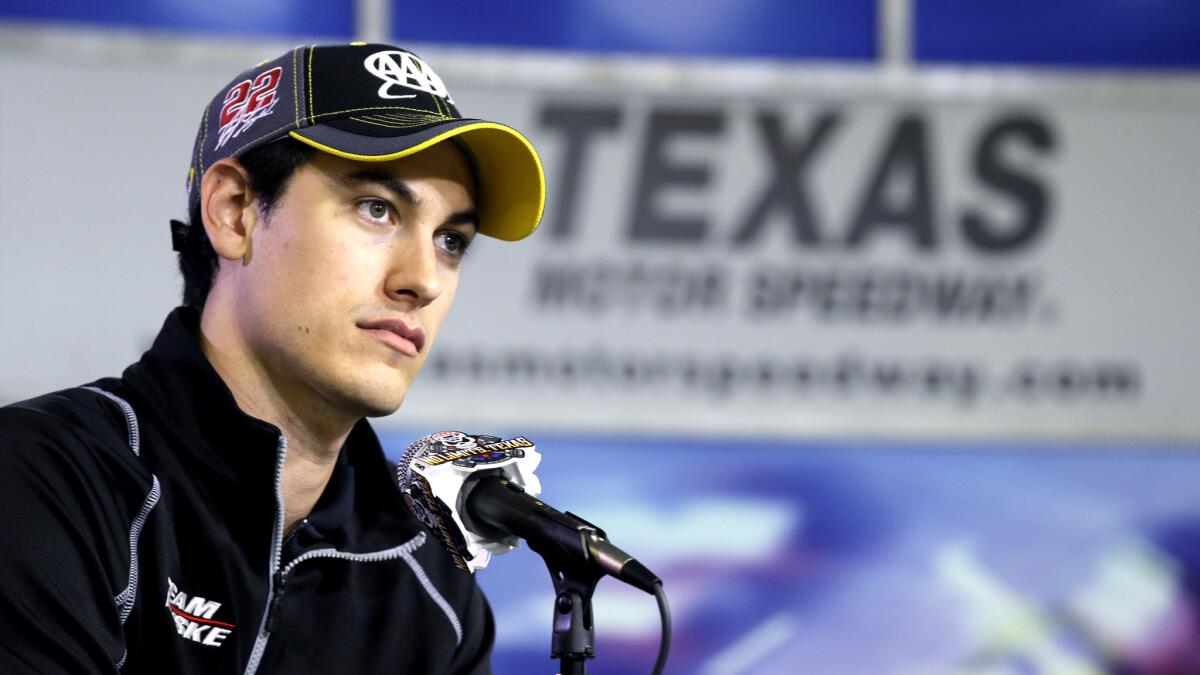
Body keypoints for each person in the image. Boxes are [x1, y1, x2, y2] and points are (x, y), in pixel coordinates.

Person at [0, 42, 544, 674]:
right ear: (234, 213)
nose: (423, 279)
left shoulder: (434, 591)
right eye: (377, 209)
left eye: (452, 241)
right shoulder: (49, 480)